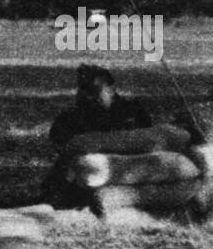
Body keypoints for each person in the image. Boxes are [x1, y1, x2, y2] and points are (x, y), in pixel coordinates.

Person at [43, 64, 153, 206]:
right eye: (85, 91)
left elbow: (146, 143)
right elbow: (61, 149)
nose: (90, 97)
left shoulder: (133, 111)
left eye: (95, 91)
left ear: (111, 89)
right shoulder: (71, 117)